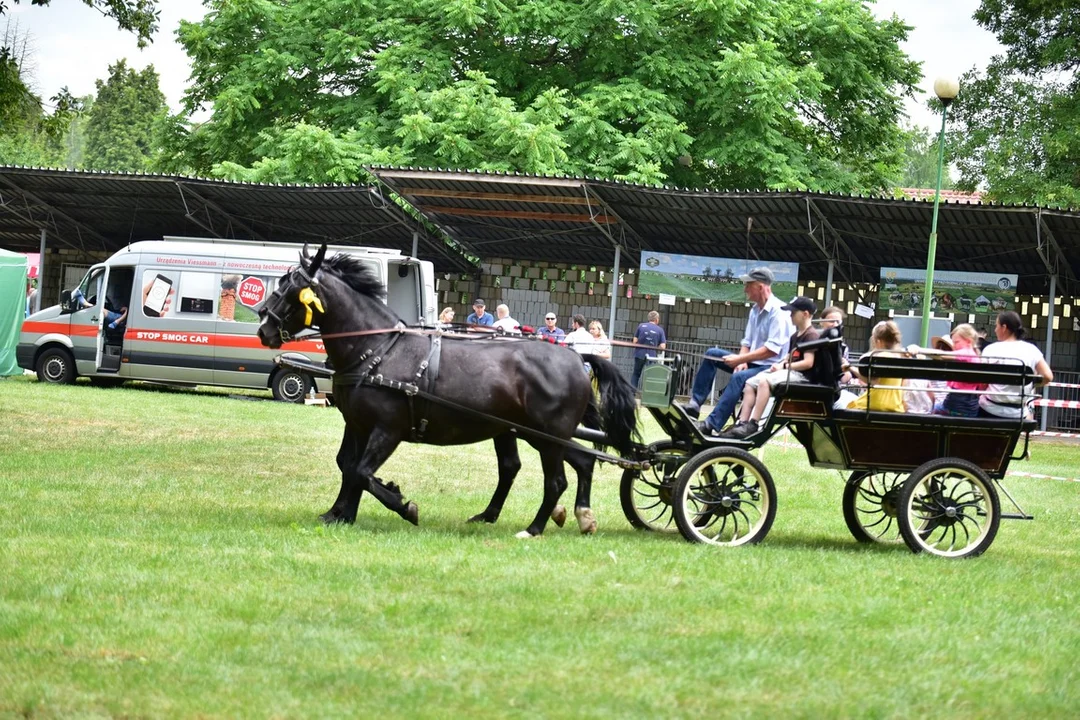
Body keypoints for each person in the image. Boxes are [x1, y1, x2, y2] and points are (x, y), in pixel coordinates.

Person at [684, 267, 794, 434]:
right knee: (712, 354)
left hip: (771, 367)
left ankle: (711, 425)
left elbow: (771, 350)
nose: (745, 289)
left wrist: (741, 360)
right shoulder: (755, 311)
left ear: (760, 286)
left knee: (739, 377)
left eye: (748, 285)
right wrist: (742, 359)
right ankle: (695, 404)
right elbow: (747, 342)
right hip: (752, 363)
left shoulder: (778, 312)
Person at [721, 296, 819, 439]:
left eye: (793, 312)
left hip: (802, 375)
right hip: (788, 370)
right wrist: (780, 364)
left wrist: (785, 366)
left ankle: (753, 424)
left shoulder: (811, 335)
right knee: (750, 383)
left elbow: (808, 363)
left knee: (764, 382)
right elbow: (789, 356)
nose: (790, 315)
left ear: (805, 314)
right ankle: (742, 423)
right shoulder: (795, 336)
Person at [978, 311, 1053, 418]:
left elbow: (982, 382)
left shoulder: (991, 349)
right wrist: (1030, 384)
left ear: (1004, 327)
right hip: (1018, 413)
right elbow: (1048, 376)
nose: (995, 330)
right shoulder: (1031, 349)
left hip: (989, 410)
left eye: (996, 326)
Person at [846, 320, 906, 412]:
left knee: (849, 405)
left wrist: (850, 368)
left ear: (878, 341)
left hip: (877, 403)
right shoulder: (900, 357)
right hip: (895, 404)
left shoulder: (882, 356)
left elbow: (873, 381)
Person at [930, 324, 983, 417]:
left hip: (955, 406)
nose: (954, 346)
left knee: (929, 410)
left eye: (956, 342)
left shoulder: (966, 353)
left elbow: (940, 355)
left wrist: (918, 349)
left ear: (968, 341)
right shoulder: (975, 356)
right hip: (971, 407)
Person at [631, 310, 667, 389]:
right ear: (657, 319)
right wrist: (656, 347)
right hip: (651, 356)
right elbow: (663, 346)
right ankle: (647, 394)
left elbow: (634, 341)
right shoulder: (660, 330)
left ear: (649, 318)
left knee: (636, 374)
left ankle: (632, 392)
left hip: (639, 353)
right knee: (649, 375)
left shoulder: (641, 326)